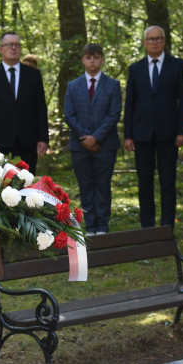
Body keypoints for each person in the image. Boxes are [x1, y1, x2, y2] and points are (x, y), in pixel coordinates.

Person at [123, 25, 183, 228]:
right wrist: (128, 135)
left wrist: (182, 130)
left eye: (158, 38)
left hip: (169, 133)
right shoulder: (135, 69)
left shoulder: (177, 65)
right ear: (144, 43)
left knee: (168, 181)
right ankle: (147, 227)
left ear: (164, 41)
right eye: (150, 39)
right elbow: (130, 103)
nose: (154, 42)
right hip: (141, 133)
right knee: (145, 183)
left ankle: (167, 226)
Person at [63, 43, 122, 235]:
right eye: (89, 57)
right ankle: (91, 224)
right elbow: (69, 115)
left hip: (105, 145)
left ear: (102, 59)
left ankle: (103, 225)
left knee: (103, 185)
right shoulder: (73, 86)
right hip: (80, 146)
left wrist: (95, 138)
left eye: (96, 57)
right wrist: (84, 138)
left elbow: (114, 115)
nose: (92, 61)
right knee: (86, 185)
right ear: (83, 60)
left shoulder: (113, 85)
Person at [0, 32, 49, 173]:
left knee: (27, 184)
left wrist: (43, 138)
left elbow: (40, 108)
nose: (14, 48)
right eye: (9, 45)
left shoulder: (33, 75)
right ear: (0, 49)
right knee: (1, 186)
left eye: (17, 44)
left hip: (28, 141)